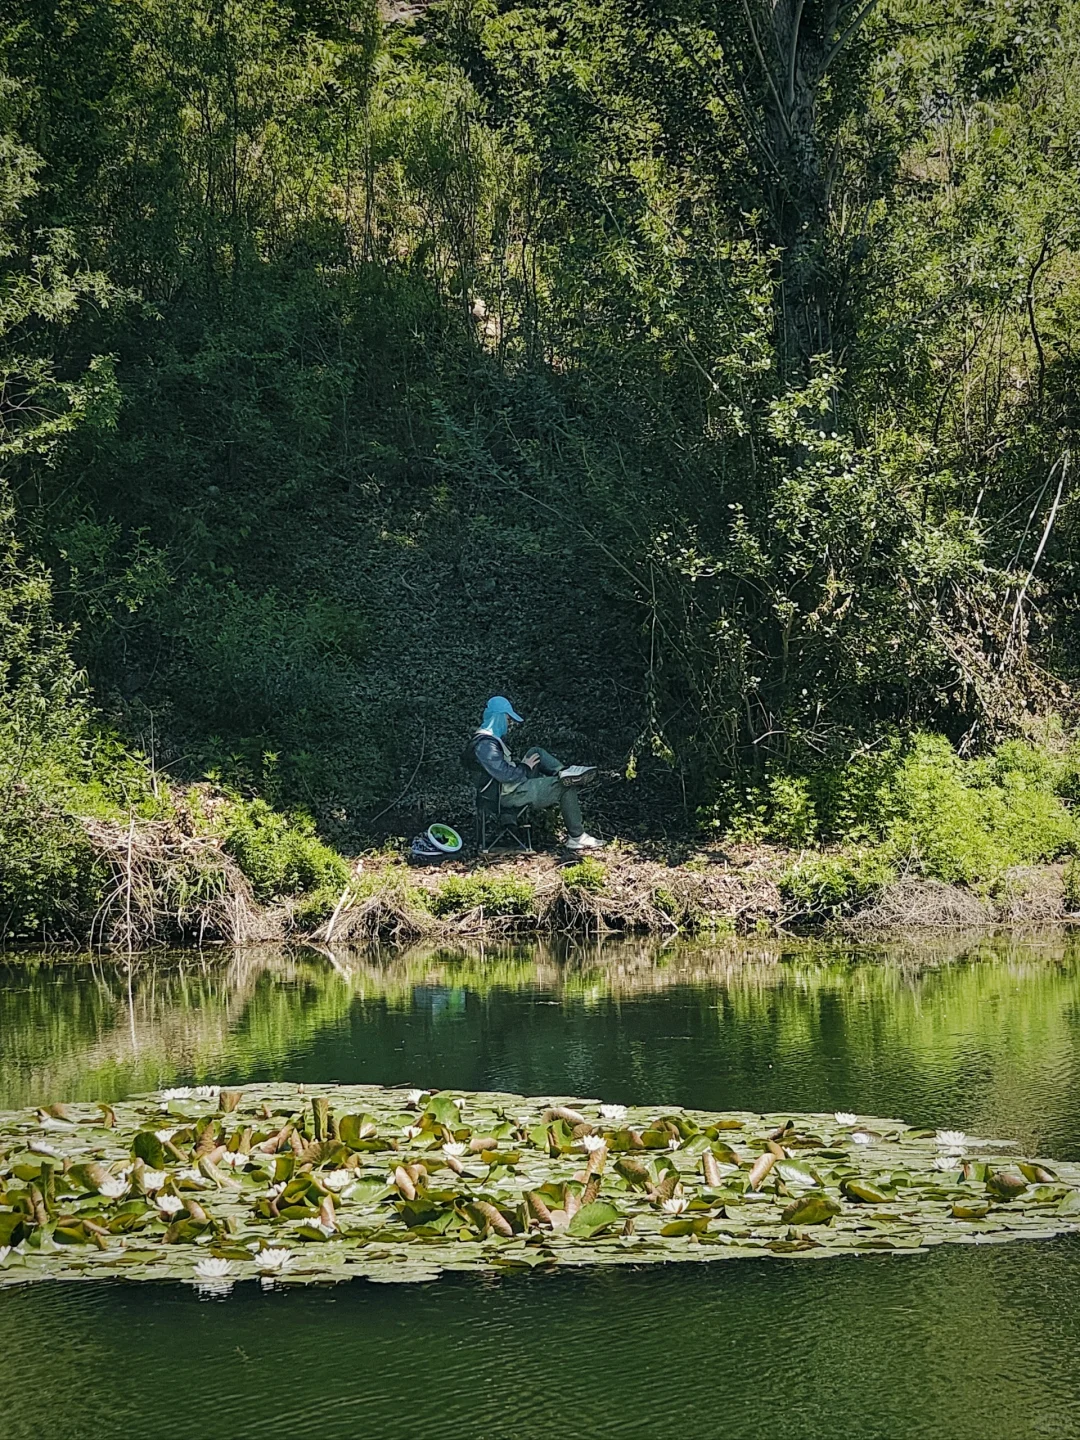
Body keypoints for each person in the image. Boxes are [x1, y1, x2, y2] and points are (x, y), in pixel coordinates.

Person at [464, 695, 602, 850]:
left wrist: (523, 766)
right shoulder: (485, 745)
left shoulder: (485, 740)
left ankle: (564, 772)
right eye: (508, 719)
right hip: (506, 795)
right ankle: (577, 838)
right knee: (566, 786)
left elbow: (500, 770)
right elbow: (505, 775)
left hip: (503, 789)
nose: (509, 724)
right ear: (498, 718)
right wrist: (524, 767)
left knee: (536, 753)